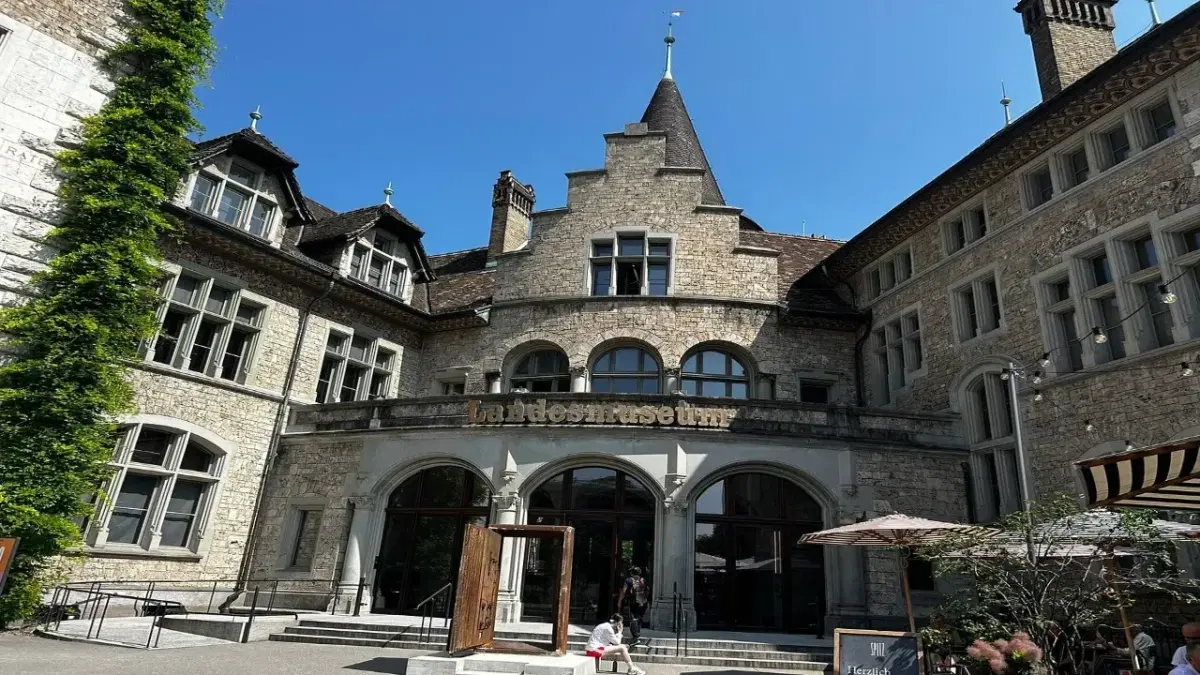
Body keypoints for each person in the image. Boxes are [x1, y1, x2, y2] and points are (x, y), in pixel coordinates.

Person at [616, 566, 651, 647]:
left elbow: (623, 592)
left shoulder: (628, 580)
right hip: (643, 602)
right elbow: (648, 590)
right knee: (639, 618)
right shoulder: (643, 580)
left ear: (632, 573)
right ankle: (637, 634)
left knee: (633, 619)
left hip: (634, 602)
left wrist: (619, 601)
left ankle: (636, 637)